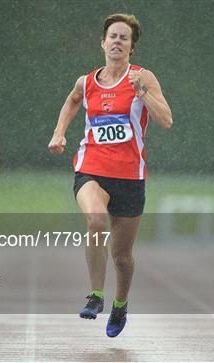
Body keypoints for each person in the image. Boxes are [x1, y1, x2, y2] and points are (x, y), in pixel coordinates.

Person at [48, 13, 172, 337]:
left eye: (124, 38)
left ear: (132, 47)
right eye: (112, 36)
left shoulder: (143, 77)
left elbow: (166, 120)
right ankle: (96, 295)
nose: (117, 42)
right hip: (91, 168)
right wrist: (59, 132)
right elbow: (73, 100)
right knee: (96, 220)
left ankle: (121, 302)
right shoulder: (86, 81)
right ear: (103, 43)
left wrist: (142, 93)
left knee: (122, 257)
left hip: (130, 177)